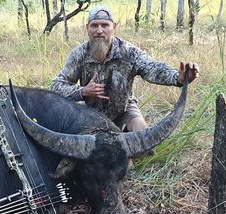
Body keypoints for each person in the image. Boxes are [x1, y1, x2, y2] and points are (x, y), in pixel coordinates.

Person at [50, 6, 199, 132]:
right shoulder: (79, 55)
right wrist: (82, 92)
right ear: (87, 28)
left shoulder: (128, 51)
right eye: (94, 25)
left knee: (143, 138)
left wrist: (178, 78)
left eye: (104, 25)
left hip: (125, 111)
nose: (99, 31)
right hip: (90, 114)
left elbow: (152, 68)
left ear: (114, 27)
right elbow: (56, 86)